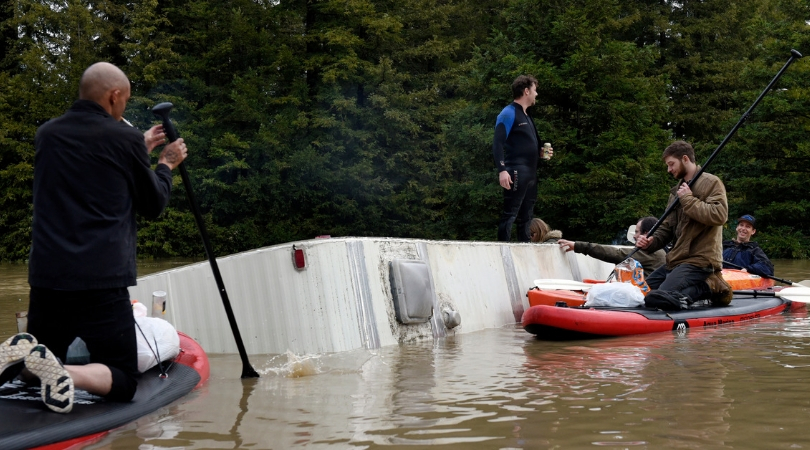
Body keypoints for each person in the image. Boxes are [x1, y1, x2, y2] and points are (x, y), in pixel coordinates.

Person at [1, 62, 188, 413]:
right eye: (125, 101)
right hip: (100, 281)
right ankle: (65, 371)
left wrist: (138, 147)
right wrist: (165, 164)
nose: (124, 108)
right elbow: (152, 203)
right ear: (114, 96)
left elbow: (95, 171)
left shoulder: (48, 134)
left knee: (38, 361)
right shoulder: (124, 139)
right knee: (123, 379)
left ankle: (27, 360)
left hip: (48, 276)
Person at [635, 141, 731, 309]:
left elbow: (719, 215)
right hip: (676, 260)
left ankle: (708, 286)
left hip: (700, 261)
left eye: (671, 164)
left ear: (685, 159)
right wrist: (651, 241)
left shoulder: (712, 183)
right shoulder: (675, 193)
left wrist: (687, 199)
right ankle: (699, 288)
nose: (669, 170)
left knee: (659, 298)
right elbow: (666, 228)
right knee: (640, 292)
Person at [493, 75, 553, 242]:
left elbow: (526, 144)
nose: (536, 94)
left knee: (526, 218)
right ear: (526, 91)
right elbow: (497, 144)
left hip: (531, 173)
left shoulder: (526, 115)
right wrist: (502, 170)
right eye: (535, 90)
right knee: (510, 215)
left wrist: (541, 152)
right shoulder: (508, 112)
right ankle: (503, 250)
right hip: (516, 170)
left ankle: (524, 252)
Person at [558, 216, 666, 278]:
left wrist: (579, 246)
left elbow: (615, 254)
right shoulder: (661, 251)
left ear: (646, 233)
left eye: (637, 232)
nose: (634, 236)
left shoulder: (651, 252)